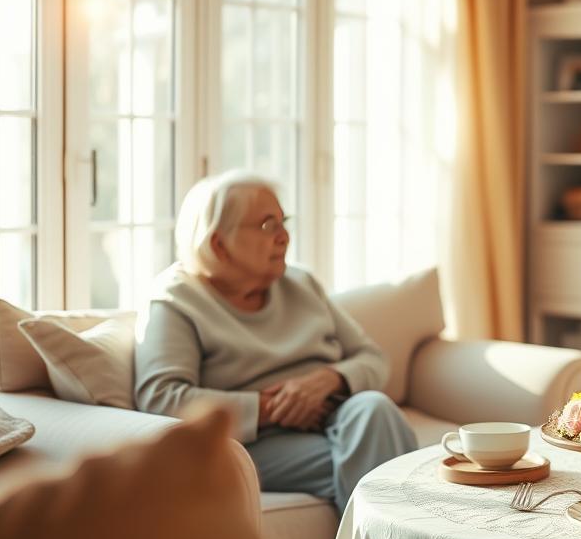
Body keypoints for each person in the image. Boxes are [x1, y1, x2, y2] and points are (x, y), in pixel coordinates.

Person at [134, 171, 419, 512]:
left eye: (285, 222)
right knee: (388, 464)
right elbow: (160, 398)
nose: (285, 236)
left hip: (337, 418)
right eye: (269, 226)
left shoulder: (301, 284)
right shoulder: (175, 300)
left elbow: (372, 358)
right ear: (218, 244)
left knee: (375, 408)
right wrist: (272, 408)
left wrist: (327, 381)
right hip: (255, 441)